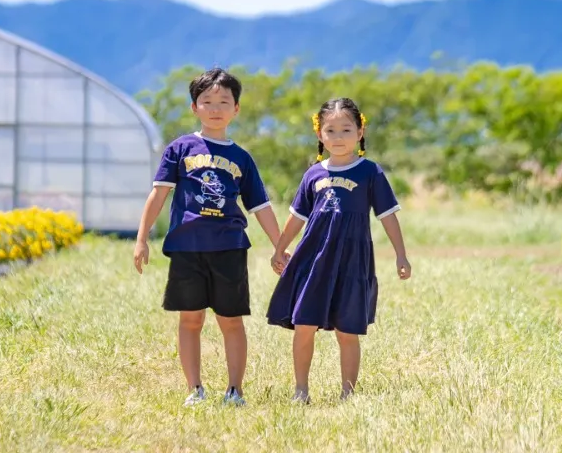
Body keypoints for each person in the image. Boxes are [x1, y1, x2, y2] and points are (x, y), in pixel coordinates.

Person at [133, 68, 282, 406]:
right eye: (207, 101)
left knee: (231, 320)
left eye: (223, 102)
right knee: (190, 319)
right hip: (187, 247)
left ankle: (235, 390)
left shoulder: (241, 157)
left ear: (236, 109)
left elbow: (260, 206)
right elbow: (158, 195)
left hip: (229, 247)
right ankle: (194, 389)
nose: (215, 108)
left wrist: (280, 246)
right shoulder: (180, 148)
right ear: (194, 108)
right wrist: (142, 238)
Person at [266, 97, 412, 402]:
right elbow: (296, 218)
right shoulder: (313, 174)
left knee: (348, 330)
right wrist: (280, 249)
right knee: (304, 323)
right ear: (320, 135)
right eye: (331, 131)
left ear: (360, 132)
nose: (338, 137)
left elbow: (388, 216)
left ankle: (348, 393)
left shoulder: (370, 172)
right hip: (314, 259)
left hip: (352, 260)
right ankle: (301, 390)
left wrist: (401, 253)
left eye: (346, 129)